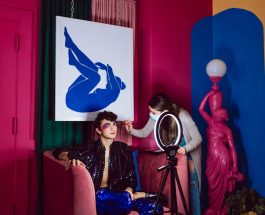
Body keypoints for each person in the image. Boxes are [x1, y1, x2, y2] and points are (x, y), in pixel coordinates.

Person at [53, 111, 166, 215]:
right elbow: (57, 151)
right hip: (101, 196)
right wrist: (70, 157)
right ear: (98, 130)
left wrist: (128, 191)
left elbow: (131, 178)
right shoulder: (89, 148)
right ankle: (137, 196)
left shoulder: (123, 149)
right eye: (107, 125)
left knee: (156, 207)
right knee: (102, 196)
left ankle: (129, 200)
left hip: (120, 194)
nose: (113, 128)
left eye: (114, 124)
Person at [124, 93, 202, 215]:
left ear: (165, 111)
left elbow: (198, 138)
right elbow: (144, 132)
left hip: (189, 153)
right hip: (175, 154)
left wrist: (186, 149)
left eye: (153, 113)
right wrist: (131, 130)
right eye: (150, 112)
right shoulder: (157, 116)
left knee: (192, 191)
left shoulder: (182, 115)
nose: (151, 115)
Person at [199, 90, 243, 215]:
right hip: (211, 158)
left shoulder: (226, 130)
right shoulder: (211, 122)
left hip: (223, 158)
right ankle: (214, 208)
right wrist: (208, 95)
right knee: (212, 184)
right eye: (217, 115)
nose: (217, 116)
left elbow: (233, 148)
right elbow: (201, 109)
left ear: (223, 117)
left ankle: (220, 209)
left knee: (221, 186)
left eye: (220, 115)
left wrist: (234, 165)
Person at [64, 27, 126, 112]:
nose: (107, 84)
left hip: (75, 100)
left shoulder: (115, 90)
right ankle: (71, 45)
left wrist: (106, 68)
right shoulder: (111, 94)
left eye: (109, 83)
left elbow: (111, 77)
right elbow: (111, 80)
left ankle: (74, 62)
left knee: (96, 77)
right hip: (73, 98)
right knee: (93, 69)